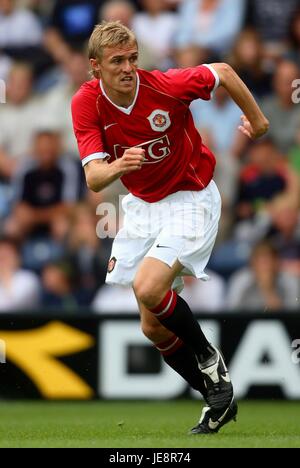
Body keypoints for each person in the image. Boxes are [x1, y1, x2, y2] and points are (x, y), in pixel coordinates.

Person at [71, 21, 269, 434]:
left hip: (190, 196)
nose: (128, 68)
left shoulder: (165, 85)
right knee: (151, 325)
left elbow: (225, 73)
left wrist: (258, 122)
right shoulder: (86, 102)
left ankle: (211, 363)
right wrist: (119, 166)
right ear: (95, 67)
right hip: (142, 206)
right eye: (117, 61)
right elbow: (93, 179)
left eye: (132, 58)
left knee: (148, 288)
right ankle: (217, 396)